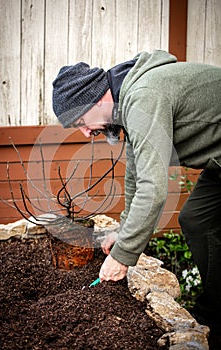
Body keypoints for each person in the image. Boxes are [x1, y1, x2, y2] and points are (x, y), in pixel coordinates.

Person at [52, 50, 221, 347]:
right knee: (197, 220)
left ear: (97, 98)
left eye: (81, 120)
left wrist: (123, 256)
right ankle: (215, 311)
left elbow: (153, 189)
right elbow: (136, 173)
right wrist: (124, 229)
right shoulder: (128, 102)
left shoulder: (143, 96)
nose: (85, 131)